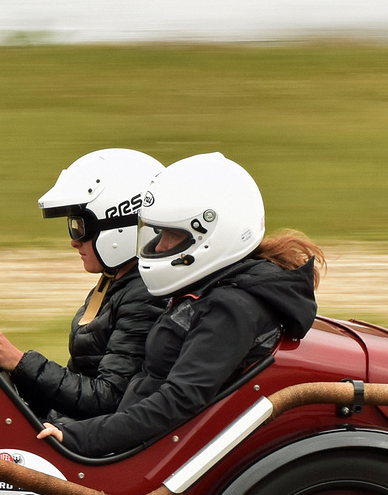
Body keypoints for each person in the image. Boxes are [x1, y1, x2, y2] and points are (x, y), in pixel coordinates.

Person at [40, 153, 322, 457]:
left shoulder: (231, 308)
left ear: (211, 235)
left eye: (172, 236)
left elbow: (175, 402)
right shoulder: (212, 292)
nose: (158, 247)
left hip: (144, 457)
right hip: (130, 439)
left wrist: (77, 437)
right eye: (158, 234)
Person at [0, 149, 167, 423]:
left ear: (119, 226)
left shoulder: (144, 296)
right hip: (72, 425)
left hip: (89, 443)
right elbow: (79, 383)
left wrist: (19, 362)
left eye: (79, 228)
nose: (73, 241)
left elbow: (107, 399)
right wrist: (2, 359)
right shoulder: (115, 281)